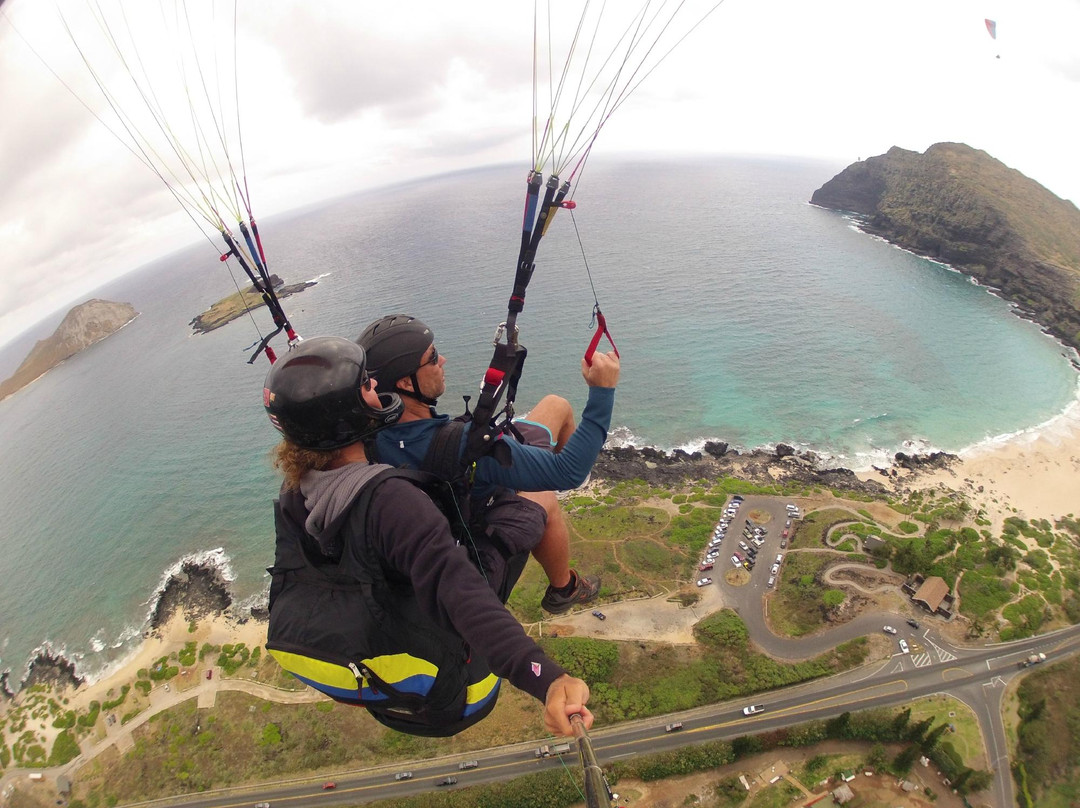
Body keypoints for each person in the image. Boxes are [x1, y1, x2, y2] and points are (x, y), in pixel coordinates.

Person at [263, 336, 592, 736]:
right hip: (461, 691)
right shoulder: (389, 501)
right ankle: (565, 588)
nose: (376, 389)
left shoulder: (296, 493)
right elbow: (458, 591)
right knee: (542, 499)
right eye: (367, 386)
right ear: (347, 416)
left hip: (388, 687)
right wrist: (547, 678)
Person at [355, 314, 620, 614]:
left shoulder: (365, 438)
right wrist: (603, 391)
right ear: (405, 382)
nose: (443, 359)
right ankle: (564, 589)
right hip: (475, 545)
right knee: (546, 497)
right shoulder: (465, 445)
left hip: (450, 496)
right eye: (431, 358)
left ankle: (544, 470)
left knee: (556, 405)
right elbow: (568, 471)